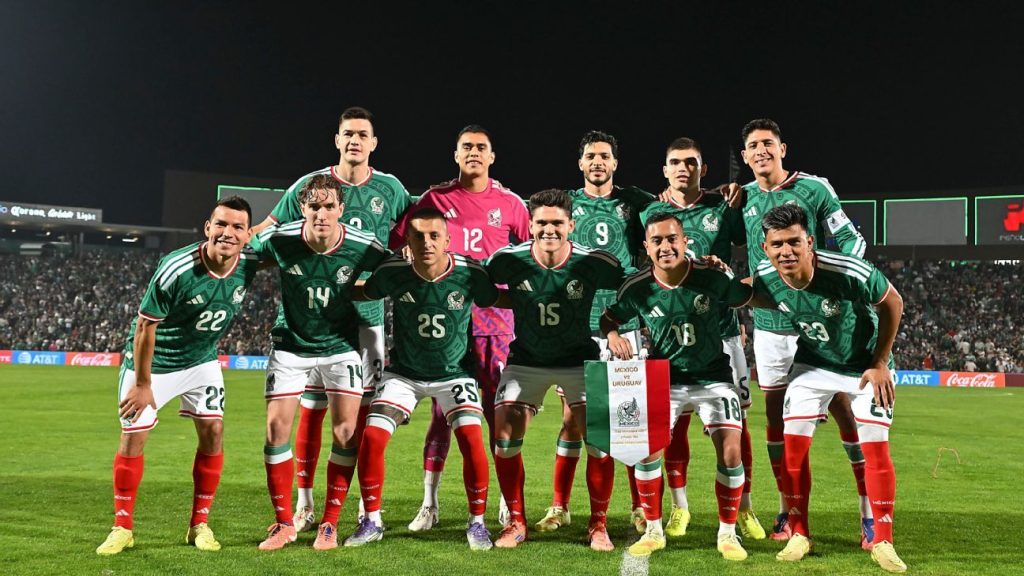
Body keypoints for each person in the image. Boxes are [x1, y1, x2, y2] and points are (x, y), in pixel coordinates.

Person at [253, 106, 411, 531]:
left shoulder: (391, 188)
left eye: (362, 134)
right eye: (348, 134)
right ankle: (304, 502)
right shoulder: (309, 186)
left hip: (368, 321)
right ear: (337, 140)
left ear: (373, 143)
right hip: (315, 319)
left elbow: (411, 234)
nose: (355, 140)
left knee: (361, 418)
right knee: (312, 409)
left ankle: (364, 504)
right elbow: (267, 229)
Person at [96, 197, 262, 555]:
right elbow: (145, 326)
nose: (228, 233)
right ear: (207, 228)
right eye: (221, 224)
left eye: (237, 227)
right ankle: (122, 527)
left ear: (247, 234)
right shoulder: (177, 268)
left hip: (201, 361)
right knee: (133, 438)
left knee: (214, 432)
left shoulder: (251, 259)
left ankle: (199, 523)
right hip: (154, 363)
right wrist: (143, 385)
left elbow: (289, 239)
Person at [735, 118, 873, 544]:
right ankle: (786, 511)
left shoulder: (814, 187)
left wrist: (842, 288)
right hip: (772, 327)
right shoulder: (741, 198)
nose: (761, 150)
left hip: (820, 320)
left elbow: (851, 242)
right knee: (776, 419)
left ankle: (868, 511)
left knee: (846, 411)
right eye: (753, 145)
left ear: (783, 149)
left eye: (768, 143)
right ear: (745, 156)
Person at [751, 204, 906, 573]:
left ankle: (883, 540)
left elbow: (893, 302)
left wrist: (880, 362)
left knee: (875, 446)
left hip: (864, 366)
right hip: (813, 366)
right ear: (765, 248)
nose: (786, 251)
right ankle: (799, 533)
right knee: (792, 447)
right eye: (777, 244)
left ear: (810, 242)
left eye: (794, 242)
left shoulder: (848, 271)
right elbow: (740, 293)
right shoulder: (765, 275)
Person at [390, 125, 530, 530]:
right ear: (455, 155)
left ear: (492, 156)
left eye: (481, 147)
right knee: (441, 414)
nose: (474, 152)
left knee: (499, 414)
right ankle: (429, 504)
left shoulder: (511, 203)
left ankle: (507, 501)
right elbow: (400, 240)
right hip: (445, 323)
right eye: (466, 146)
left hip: (494, 325)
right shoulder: (434, 199)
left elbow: (530, 253)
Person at [602, 212, 752, 562]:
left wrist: (727, 272)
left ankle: (727, 532)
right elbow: (609, 316)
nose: (665, 246)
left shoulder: (710, 276)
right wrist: (612, 335)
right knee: (647, 450)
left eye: (672, 239)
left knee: (731, 452)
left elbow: (742, 296)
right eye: (657, 241)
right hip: (665, 379)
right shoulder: (637, 287)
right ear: (646, 247)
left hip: (713, 377)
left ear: (685, 242)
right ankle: (654, 530)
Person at [346, 208, 497, 551]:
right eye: (418, 236)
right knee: (372, 437)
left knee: (472, 439)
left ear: (447, 240)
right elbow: (363, 292)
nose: (427, 243)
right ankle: (371, 520)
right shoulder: (393, 271)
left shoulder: (471, 272)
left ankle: (477, 523)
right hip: (404, 374)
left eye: (434, 236)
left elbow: (495, 297)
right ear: (408, 242)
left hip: (454, 374)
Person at [637, 136, 765, 540]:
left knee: (736, 423)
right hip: (673, 333)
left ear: (703, 169)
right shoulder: (651, 211)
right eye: (676, 162)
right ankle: (680, 507)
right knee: (671, 426)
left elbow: (751, 243)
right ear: (665, 170)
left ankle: (744, 507)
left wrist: (737, 193)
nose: (683, 169)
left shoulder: (723, 204)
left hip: (722, 330)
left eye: (691, 162)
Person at [252, 175, 388, 551]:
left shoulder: (364, 244)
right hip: (291, 346)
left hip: (341, 347)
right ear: (303, 208)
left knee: (345, 432)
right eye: (314, 206)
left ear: (341, 209)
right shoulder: (280, 239)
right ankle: (284, 523)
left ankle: (330, 522)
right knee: (276, 430)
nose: (321, 214)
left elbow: (395, 273)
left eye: (329, 206)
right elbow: (242, 255)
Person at [486, 189, 625, 550]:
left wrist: (611, 327)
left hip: (579, 359)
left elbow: (636, 285)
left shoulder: (593, 262)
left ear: (571, 225)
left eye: (557, 223)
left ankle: (598, 524)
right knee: (504, 436)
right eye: (542, 222)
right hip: (526, 360)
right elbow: (480, 287)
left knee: (600, 442)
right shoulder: (507, 260)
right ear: (530, 226)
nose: (550, 229)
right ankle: (516, 521)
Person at [535, 130, 654, 534]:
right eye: (591, 156)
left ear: (615, 163)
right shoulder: (567, 204)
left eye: (604, 156)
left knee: (629, 422)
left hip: (625, 325)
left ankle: (639, 507)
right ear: (580, 163)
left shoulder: (634, 202)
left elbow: (671, 210)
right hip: (578, 327)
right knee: (572, 420)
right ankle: (559, 506)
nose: (598, 162)